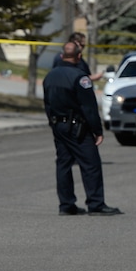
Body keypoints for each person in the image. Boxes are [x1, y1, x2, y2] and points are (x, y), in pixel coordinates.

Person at [43, 41, 121, 216]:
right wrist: (98, 131)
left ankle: (66, 204)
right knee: (90, 164)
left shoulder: (50, 76)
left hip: (58, 125)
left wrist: (52, 123)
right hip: (77, 127)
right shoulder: (81, 77)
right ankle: (96, 204)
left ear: (62, 56)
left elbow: (47, 104)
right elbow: (88, 107)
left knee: (63, 164)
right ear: (79, 56)